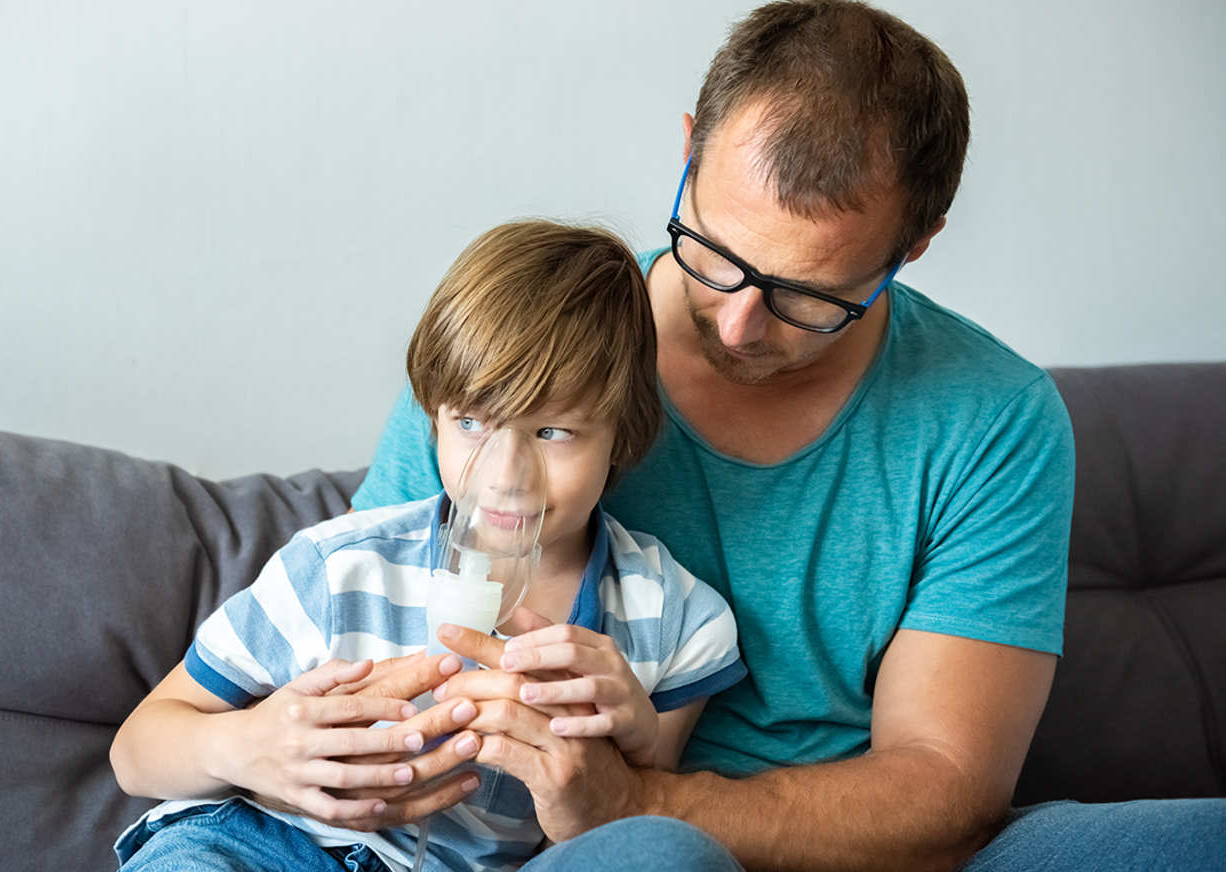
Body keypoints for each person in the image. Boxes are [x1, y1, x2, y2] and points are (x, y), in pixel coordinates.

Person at [333, 1, 1225, 870]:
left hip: (856, 845)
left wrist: (643, 799)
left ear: (916, 244)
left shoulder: (996, 420)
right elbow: (362, 637)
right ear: (688, 148)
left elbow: (948, 791)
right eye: (713, 253)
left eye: (808, 297)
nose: (738, 325)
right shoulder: (528, 354)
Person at [109, 220, 747, 872]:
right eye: (471, 422)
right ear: (434, 415)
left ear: (625, 433)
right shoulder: (340, 573)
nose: (504, 475)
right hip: (274, 847)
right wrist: (245, 746)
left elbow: (607, 837)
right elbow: (135, 753)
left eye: (553, 431)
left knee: (668, 854)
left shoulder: (669, 622)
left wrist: (630, 753)